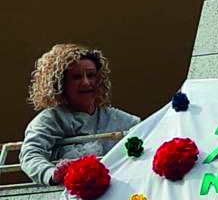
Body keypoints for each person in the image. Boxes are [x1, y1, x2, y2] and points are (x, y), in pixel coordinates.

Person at [20, 43, 140, 185]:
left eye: (91, 75)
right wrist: (52, 174)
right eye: (76, 77)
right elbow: (30, 154)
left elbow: (149, 134)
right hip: (71, 198)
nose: (86, 82)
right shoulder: (49, 120)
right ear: (60, 83)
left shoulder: (120, 119)